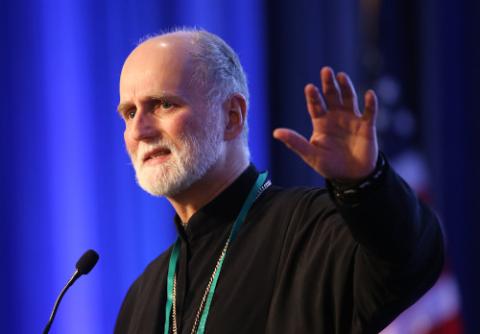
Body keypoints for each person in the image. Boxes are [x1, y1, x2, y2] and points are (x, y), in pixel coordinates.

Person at [114, 28, 444, 334]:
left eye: (163, 104)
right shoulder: (143, 295)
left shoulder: (315, 232)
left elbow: (410, 260)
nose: (140, 130)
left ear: (232, 116)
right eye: (130, 113)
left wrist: (365, 184)